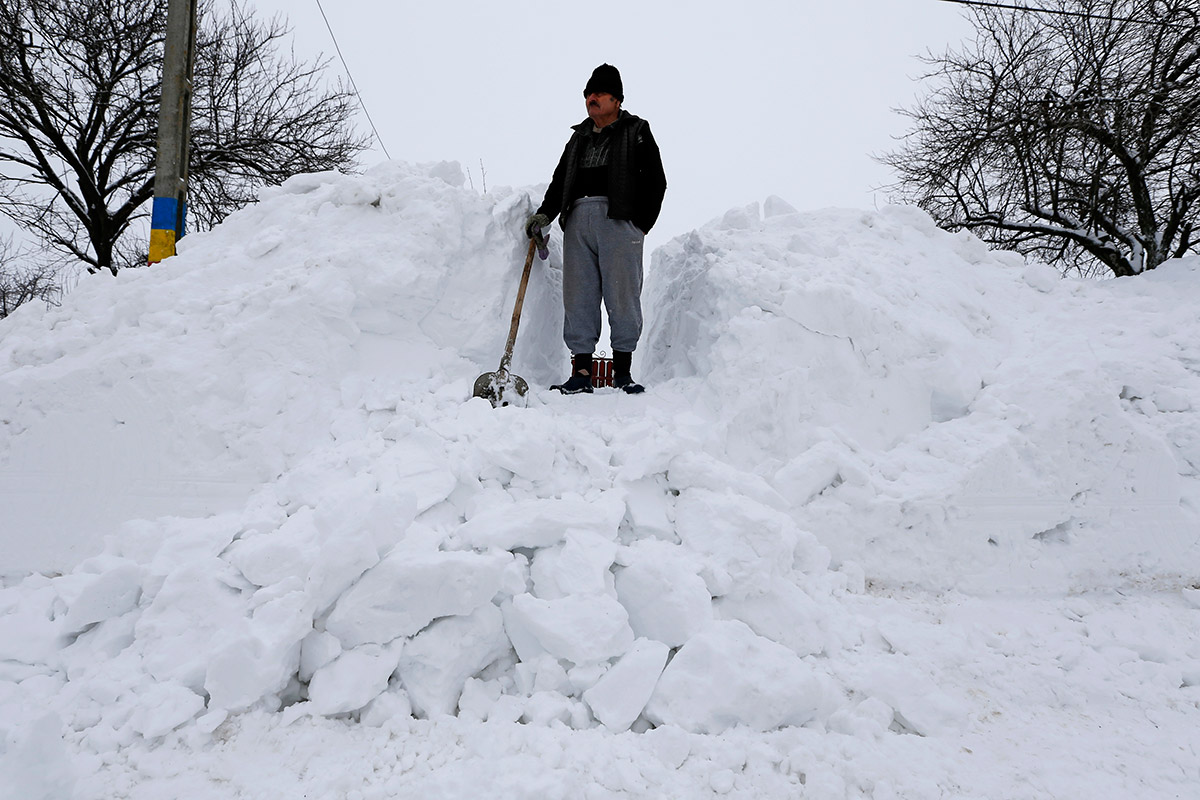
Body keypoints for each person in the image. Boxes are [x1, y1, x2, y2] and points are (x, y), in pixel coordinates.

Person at [525, 64, 667, 395]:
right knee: (579, 295)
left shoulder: (637, 130)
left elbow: (656, 181)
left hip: (619, 220)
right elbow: (560, 181)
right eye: (588, 93)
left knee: (622, 294)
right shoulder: (578, 138)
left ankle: (622, 374)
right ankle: (582, 374)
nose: (592, 98)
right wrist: (545, 215)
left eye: (599, 93)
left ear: (617, 99)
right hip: (578, 222)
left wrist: (639, 223)